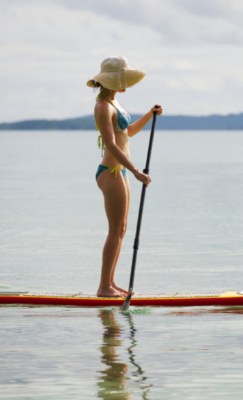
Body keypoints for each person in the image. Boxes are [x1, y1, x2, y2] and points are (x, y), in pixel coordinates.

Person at [87, 56, 163, 298]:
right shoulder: (102, 106)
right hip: (111, 172)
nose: (126, 84)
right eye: (123, 78)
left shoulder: (114, 103)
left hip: (120, 172)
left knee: (121, 229)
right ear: (112, 80)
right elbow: (110, 144)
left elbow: (127, 132)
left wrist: (149, 115)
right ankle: (103, 287)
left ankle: (110, 282)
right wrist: (135, 170)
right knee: (114, 230)